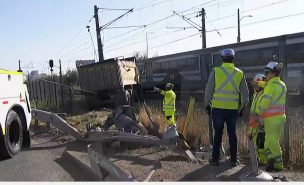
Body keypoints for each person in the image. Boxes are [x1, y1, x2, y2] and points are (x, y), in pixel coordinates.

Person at [204, 48, 249, 166]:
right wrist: (243, 108)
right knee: (232, 134)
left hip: (217, 109)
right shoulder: (240, 73)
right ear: (233, 59)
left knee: (218, 134)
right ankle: (234, 160)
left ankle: (215, 159)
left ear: (222, 59)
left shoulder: (216, 71)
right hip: (232, 110)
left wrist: (207, 105)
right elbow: (245, 94)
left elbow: (208, 90)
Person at [255, 61, 286, 172]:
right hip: (280, 117)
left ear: (273, 73)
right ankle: (272, 160)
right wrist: (260, 84)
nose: (265, 75)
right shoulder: (282, 84)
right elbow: (268, 85)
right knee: (272, 140)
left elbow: (265, 103)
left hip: (271, 118)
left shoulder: (270, 86)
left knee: (270, 141)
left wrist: (258, 111)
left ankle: (277, 164)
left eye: (267, 72)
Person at [248, 74, 267, 165]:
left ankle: (262, 161)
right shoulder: (256, 94)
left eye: (256, 84)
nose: (254, 86)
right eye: (254, 84)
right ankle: (256, 160)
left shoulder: (263, 94)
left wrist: (259, 119)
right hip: (254, 122)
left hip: (260, 121)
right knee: (255, 142)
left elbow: (263, 109)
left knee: (261, 142)